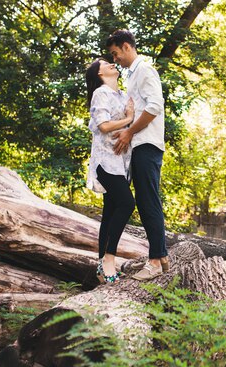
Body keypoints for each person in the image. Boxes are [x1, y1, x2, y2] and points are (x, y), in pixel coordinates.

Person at [107, 29, 169, 280]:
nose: (114, 60)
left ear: (126, 46)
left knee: (147, 201)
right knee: (145, 201)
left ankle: (154, 261)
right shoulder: (133, 75)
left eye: (115, 53)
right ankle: (161, 255)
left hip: (147, 143)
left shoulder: (144, 70)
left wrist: (130, 132)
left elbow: (155, 106)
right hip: (140, 145)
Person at [85, 58, 135, 284]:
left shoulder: (123, 95)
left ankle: (100, 266)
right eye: (105, 64)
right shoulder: (101, 93)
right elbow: (104, 126)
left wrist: (130, 121)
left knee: (110, 211)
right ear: (99, 74)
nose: (111, 64)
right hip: (105, 161)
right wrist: (129, 119)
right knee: (127, 203)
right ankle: (109, 259)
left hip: (121, 163)